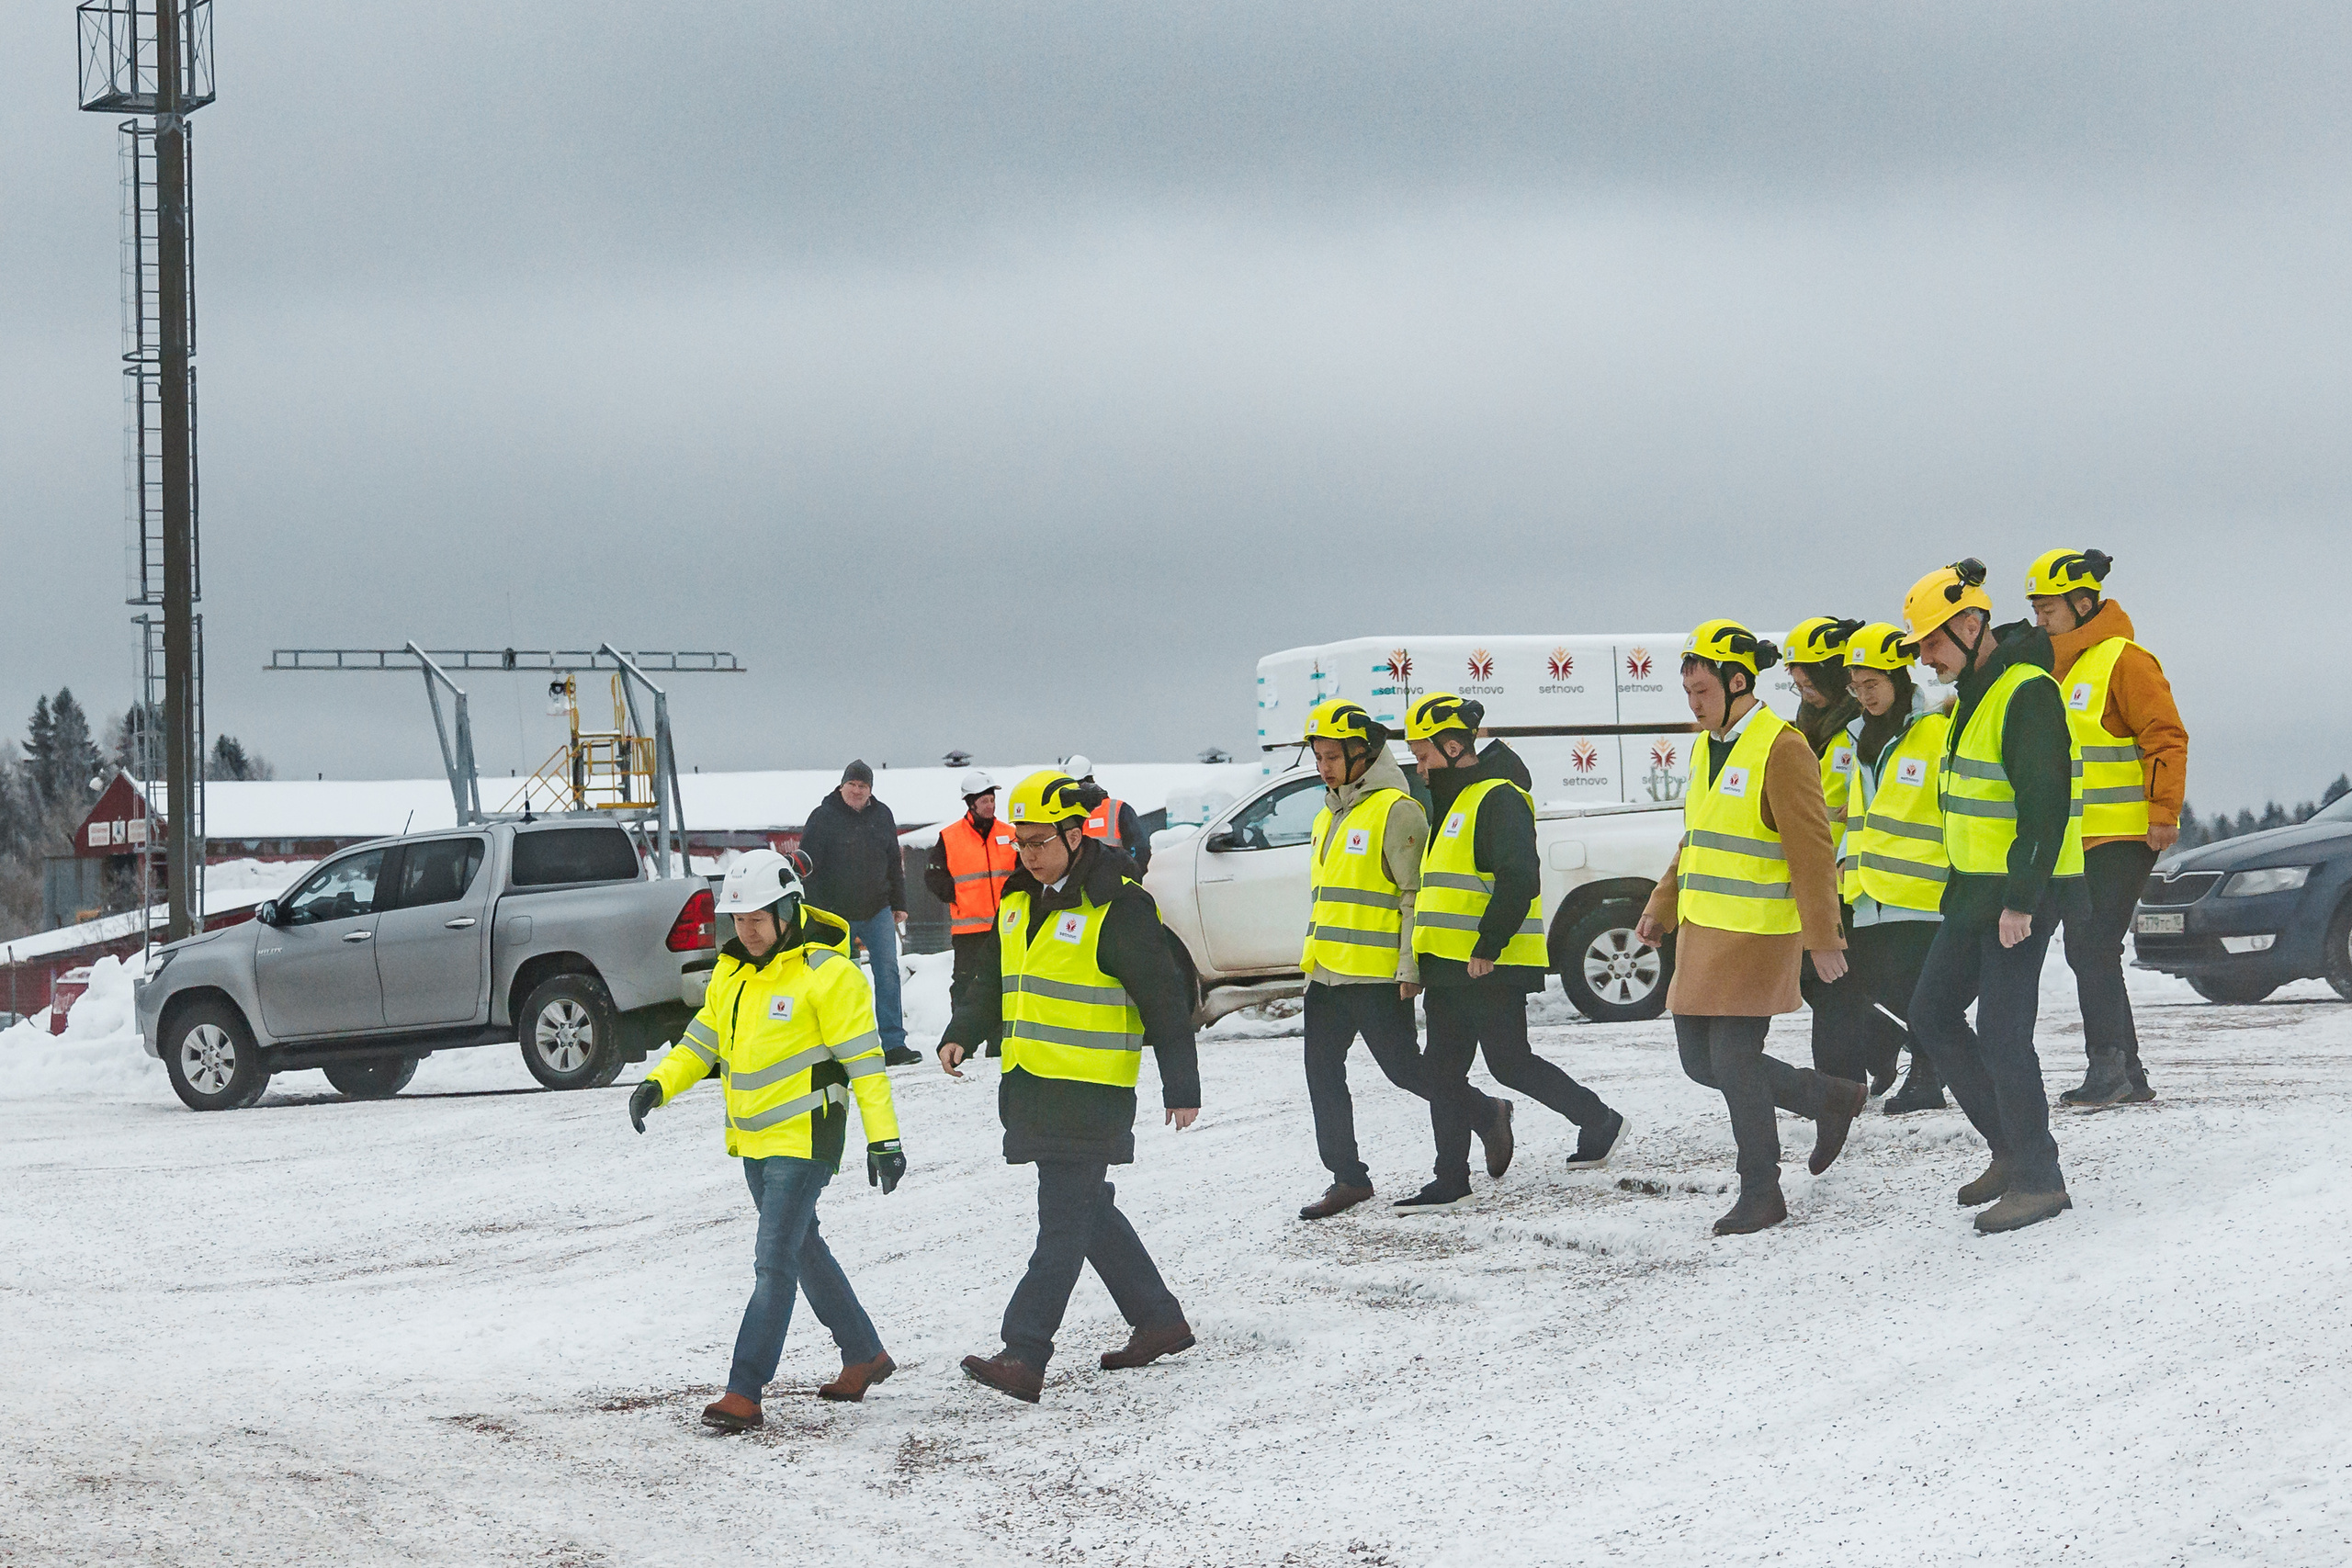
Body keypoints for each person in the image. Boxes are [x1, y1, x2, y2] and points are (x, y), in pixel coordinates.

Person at [937, 770, 1200, 1404]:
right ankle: (1159, 1318)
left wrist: (1181, 1082)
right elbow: (994, 981)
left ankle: (1024, 1352)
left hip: (1092, 1093)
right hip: (1035, 1088)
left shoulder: (1119, 905)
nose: (1027, 854)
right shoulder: (1019, 902)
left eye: (1038, 842)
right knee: (1089, 1213)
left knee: (1060, 1224)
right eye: (1020, 842)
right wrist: (962, 1031)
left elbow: (1163, 997)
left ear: (1076, 833)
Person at [627, 850, 906, 1432]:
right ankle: (864, 1353)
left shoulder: (828, 975)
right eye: (738, 919)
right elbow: (702, 1039)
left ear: (787, 909)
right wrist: (659, 1084)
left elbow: (867, 1068)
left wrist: (884, 1140)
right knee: (803, 1248)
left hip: (806, 1139)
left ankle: (745, 1389)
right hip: (753, 1141)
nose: (746, 930)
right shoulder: (734, 973)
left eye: (757, 917)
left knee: (773, 1260)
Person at [1633, 622, 1863, 1236]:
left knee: (1734, 1063)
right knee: (1698, 1062)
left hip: (1757, 936)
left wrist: (1824, 937)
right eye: (1687, 691)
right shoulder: (1706, 747)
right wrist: (1661, 902)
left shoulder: (1780, 746)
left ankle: (1762, 1189)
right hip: (1703, 934)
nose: (1694, 702)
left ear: (1738, 682)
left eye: (1702, 688)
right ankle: (1830, 1097)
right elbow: (1698, 839)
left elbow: (1812, 849)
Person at [1900, 558, 2085, 1234]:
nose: (1925, 657)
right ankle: (2008, 1149)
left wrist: (2022, 900)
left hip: (2019, 894)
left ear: (1972, 624)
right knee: (1932, 1013)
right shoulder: (1973, 692)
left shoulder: (2025, 691)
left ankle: (2040, 1179)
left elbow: (2045, 803)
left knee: (2006, 1035)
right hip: (1975, 895)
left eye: (1932, 641)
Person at [1401, 692, 1627, 1213]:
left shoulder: (1497, 797)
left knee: (1509, 1063)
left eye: (1425, 754)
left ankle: (1598, 1121)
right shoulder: (1454, 801)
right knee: (1443, 1070)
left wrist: (1488, 945)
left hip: (1486, 965)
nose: (1421, 765)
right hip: (1448, 965)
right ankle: (1450, 1178)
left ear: (1454, 746)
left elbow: (1519, 878)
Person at [1293, 701, 1510, 1220]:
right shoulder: (1331, 812)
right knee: (1321, 1072)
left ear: (1362, 754)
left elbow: (1414, 894)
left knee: (1405, 1070)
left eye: (1331, 757)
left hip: (1375, 975)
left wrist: (1407, 969)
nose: (1323, 766)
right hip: (1326, 971)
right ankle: (1348, 1178)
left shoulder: (1397, 809)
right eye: (1318, 757)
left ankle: (1487, 1111)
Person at [2025, 548, 2187, 1107]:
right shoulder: (2051, 671)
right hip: (2076, 838)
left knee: (2090, 945)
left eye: (2049, 609)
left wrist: (2163, 812)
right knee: (2091, 948)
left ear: (2083, 602)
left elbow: (2165, 737)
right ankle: (2128, 1072)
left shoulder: (2125, 660)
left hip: (2124, 833)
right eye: (2037, 610)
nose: (2040, 620)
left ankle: (2110, 1069)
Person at [1836, 623, 1951, 1115]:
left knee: (1918, 992)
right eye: (1856, 688)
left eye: (1873, 686)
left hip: (1924, 888)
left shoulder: (1937, 732)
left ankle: (1929, 1075)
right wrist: (1846, 855)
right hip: (1869, 890)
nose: (1864, 697)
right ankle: (1934, 1062)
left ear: (1898, 677)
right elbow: (1861, 811)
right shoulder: (1859, 737)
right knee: (1876, 986)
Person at [1786, 615, 1903, 1098]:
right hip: (1817, 877)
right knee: (1817, 979)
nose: (1804, 690)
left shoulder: (1858, 732)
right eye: (1796, 683)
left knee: (1830, 981)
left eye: (1810, 681)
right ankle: (1884, 1040)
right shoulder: (1807, 727)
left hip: (1851, 876)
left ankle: (1840, 1088)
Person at [800, 760, 919, 1066]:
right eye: (851, 785)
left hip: (877, 908)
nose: (856, 790)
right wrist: (815, 914)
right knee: (840, 983)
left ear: (870, 790)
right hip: (835, 915)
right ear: (841, 786)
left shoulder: (882, 816)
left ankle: (894, 1044)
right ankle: (842, 1047)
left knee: (888, 975)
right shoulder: (822, 818)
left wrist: (900, 902)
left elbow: (894, 861)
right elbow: (807, 869)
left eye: (862, 786)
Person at [922, 768, 1017, 1060]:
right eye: (985, 800)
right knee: (965, 984)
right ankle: (963, 1043)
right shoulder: (949, 837)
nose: (991, 804)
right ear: (971, 803)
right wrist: (956, 897)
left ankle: (999, 1041)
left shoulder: (1010, 833)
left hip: (1006, 925)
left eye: (992, 799)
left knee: (1005, 981)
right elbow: (933, 876)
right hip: (968, 929)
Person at [1066, 754, 1152, 874]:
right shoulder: (1063, 816)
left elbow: (1140, 848)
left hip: (1114, 884)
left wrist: (1131, 878)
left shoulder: (1117, 809)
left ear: (1088, 781)